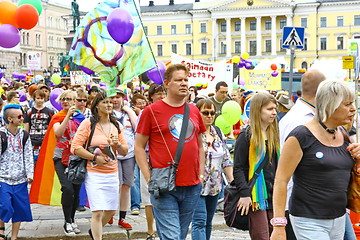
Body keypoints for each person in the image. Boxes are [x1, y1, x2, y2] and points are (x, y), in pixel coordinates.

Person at [271, 80, 360, 240]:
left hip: (339, 217)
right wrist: (278, 225)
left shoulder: (344, 134)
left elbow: (347, 174)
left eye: (352, 103)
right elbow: (281, 180)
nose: (353, 109)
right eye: (347, 104)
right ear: (329, 105)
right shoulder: (301, 136)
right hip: (308, 219)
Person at [135, 64, 206, 240]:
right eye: (178, 80)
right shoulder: (151, 111)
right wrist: (148, 177)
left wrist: (201, 175)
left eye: (186, 80)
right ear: (167, 83)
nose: (184, 84)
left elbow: (200, 145)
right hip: (164, 185)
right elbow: (138, 146)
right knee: (172, 237)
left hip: (191, 185)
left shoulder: (194, 110)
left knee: (179, 236)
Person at [71, 92, 128, 240]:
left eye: (110, 102)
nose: (109, 104)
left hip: (112, 173)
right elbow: (75, 147)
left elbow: (125, 151)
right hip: (94, 173)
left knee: (110, 211)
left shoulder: (117, 125)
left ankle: (95, 231)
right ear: (97, 105)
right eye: (105, 102)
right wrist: (95, 157)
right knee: (97, 211)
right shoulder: (88, 123)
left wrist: (118, 144)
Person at [278, 69, 325, 240]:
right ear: (321, 92)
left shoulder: (303, 116)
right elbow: (287, 171)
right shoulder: (298, 120)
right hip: (297, 203)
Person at [233, 92, 279, 240]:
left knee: (276, 234)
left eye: (275, 108)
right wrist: (245, 194)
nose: (274, 112)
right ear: (258, 110)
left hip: (275, 194)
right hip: (256, 196)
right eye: (269, 109)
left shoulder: (274, 134)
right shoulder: (246, 134)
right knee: (262, 235)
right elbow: (238, 168)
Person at [191, 99, 234, 240]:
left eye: (212, 113)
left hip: (215, 185)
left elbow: (226, 159)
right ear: (198, 113)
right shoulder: (193, 132)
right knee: (199, 221)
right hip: (196, 183)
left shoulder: (218, 131)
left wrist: (233, 182)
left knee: (208, 222)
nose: (209, 116)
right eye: (205, 113)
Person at [47, 90, 84, 236]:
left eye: (69, 99)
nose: (65, 101)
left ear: (75, 101)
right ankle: (67, 221)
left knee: (75, 190)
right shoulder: (58, 117)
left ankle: (72, 220)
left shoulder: (81, 118)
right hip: (60, 157)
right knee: (67, 188)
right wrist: (67, 116)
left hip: (76, 158)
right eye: (63, 99)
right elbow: (58, 133)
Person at [0, 104, 34, 240]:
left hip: (20, 179)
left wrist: (30, 174)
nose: (22, 118)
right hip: (3, 178)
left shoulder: (24, 135)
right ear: (10, 119)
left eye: (22, 115)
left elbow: (28, 155)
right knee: (4, 206)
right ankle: (1, 230)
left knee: (19, 209)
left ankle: (14, 237)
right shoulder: (1, 135)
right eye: (19, 116)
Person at [109, 89, 137, 229]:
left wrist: (130, 110)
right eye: (113, 97)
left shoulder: (128, 113)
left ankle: (122, 217)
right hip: (113, 154)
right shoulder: (108, 113)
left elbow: (137, 127)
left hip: (129, 154)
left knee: (126, 185)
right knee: (116, 185)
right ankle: (110, 213)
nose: (115, 100)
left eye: (118, 97)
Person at [24, 90, 55, 165]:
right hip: (32, 139)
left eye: (41, 98)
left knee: (45, 161)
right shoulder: (29, 112)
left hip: (45, 139)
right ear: (34, 98)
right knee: (33, 161)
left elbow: (52, 127)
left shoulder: (50, 111)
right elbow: (26, 127)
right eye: (38, 98)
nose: (40, 100)